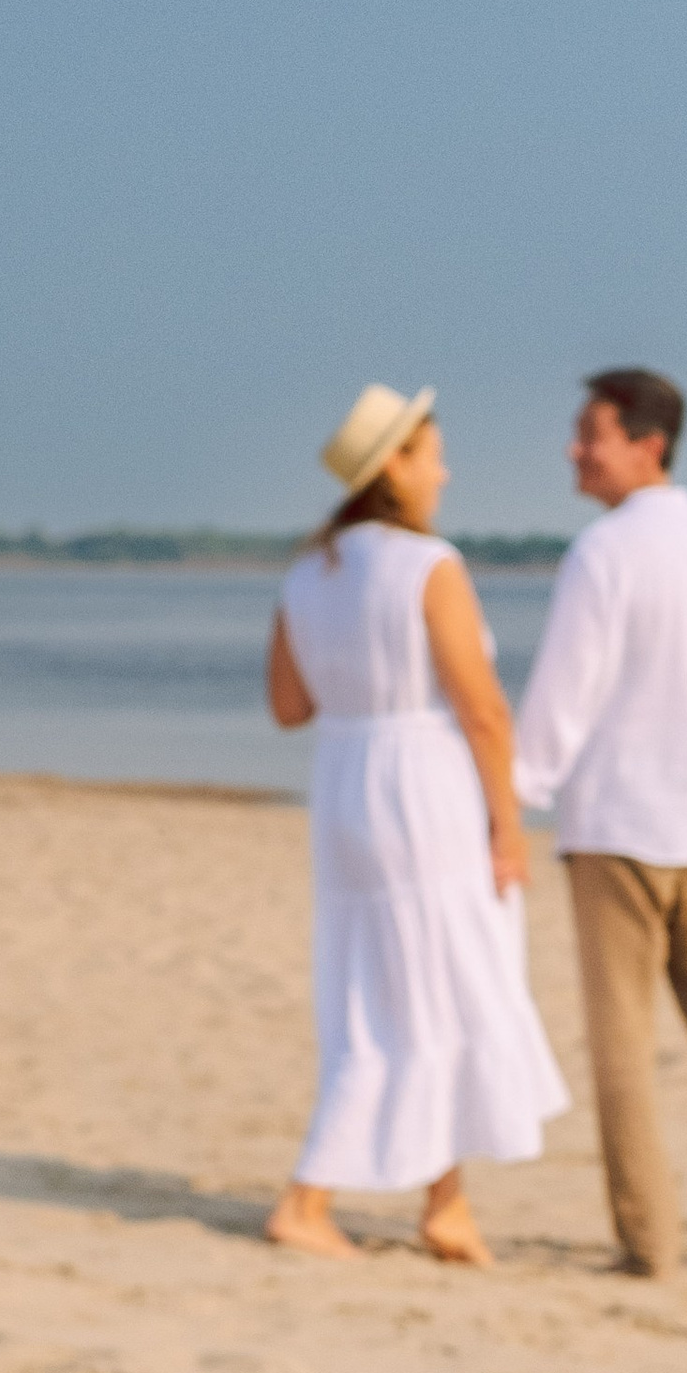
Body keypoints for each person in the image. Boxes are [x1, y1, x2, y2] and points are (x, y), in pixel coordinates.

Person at [264, 384, 567, 1265]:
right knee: (447, 980)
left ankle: (447, 1201)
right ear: (393, 467)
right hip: (423, 788)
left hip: (346, 784)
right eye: (432, 453)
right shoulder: (428, 565)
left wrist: (357, 681)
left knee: (388, 987)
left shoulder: (310, 572)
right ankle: (307, 1198)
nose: (444, 470)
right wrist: (507, 828)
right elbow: (484, 712)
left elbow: (289, 706)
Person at [512, 368, 687, 1278]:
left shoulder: (604, 554)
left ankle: (651, 1244)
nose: (573, 449)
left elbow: (564, 698)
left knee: (624, 1048)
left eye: (589, 433)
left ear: (648, 442)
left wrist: (507, 796)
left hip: (620, 830)